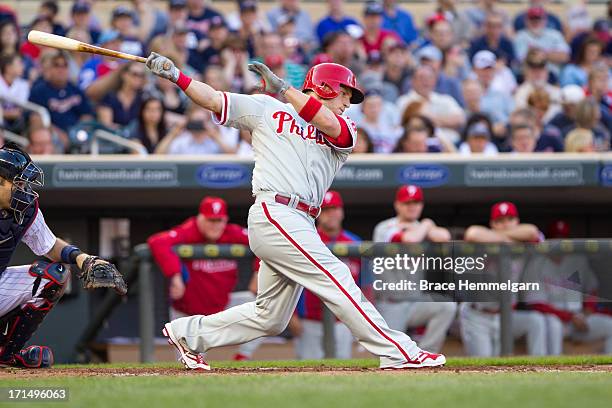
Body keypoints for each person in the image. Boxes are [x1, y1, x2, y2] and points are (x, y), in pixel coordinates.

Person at [146, 48, 446, 370]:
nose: (348, 103)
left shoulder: (345, 126)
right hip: (276, 210)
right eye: (345, 94)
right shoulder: (266, 109)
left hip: (300, 219)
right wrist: (178, 76)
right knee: (337, 276)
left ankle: (188, 334)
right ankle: (398, 352)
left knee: (270, 317)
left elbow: (329, 123)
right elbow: (215, 100)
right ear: (327, 88)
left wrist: (284, 89)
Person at [0, 143, 126, 368]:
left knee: (53, 275)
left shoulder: (24, 209)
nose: (24, 190)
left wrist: (83, 258)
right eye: (18, 183)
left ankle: (6, 355)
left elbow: (49, 246)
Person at [147, 196, 262, 361]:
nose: (215, 225)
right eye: (210, 220)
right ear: (200, 218)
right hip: (188, 314)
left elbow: (265, 242)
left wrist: (259, 272)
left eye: (218, 220)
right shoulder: (190, 230)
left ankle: (242, 357)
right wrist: (175, 275)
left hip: (222, 307)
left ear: (225, 220)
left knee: (265, 308)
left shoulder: (231, 232)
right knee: (190, 365)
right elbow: (157, 242)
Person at [372, 185, 456, 353]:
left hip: (416, 302)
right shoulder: (385, 228)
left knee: (447, 306)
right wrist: (426, 225)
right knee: (391, 356)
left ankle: (426, 352)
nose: (412, 207)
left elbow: (445, 236)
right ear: (397, 205)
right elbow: (410, 239)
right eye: (407, 202)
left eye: (416, 202)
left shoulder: (422, 226)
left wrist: (425, 225)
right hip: (390, 303)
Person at [461, 202, 547, 357]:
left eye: (509, 219)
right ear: (492, 224)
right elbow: (472, 233)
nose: (505, 224)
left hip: (507, 315)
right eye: (500, 221)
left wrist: (503, 238)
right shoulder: (484, 242)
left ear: (517, 221)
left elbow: (533, 232)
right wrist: (506, 240)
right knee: (484, 368)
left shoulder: (524, 240)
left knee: (536, 321)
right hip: (479, 316)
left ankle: (541, 366)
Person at [295, 191, 363, 359]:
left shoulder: (355, 243)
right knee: (307, 374)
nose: (331, 214)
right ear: (317, 213)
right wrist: (292, 317)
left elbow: (364, 284)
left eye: (334, 208)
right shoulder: (304, 239)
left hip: (343, 321)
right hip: (310, 321)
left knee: (342, 372)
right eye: (325, 209)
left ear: (342, 211)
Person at [29, 50, 94, 148]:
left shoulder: (75, 89)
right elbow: (36, 119)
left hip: (76, 135)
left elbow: (87, 114)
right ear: (48, 69)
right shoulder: (39, 90)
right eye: (56, 65)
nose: (61, 69)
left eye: (65, 65)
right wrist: (59, 134)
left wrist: (79, 129)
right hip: (53, 138)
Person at [513, 6, 570, 73]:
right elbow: (522, 59)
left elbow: (565, 57)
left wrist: (543, 54)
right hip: (528, 74)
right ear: (526, 21)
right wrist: (550, 55)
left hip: (552, 74)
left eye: (538, 18)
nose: (536, 21)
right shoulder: (520, 36)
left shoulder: (555, 35)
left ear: (545, 20)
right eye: (532, 19)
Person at [97, 62, 146, 130]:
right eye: (135, 74)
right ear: (124, 75)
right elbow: (106, 125)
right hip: (112, 137)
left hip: (134, 139)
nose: (138, 78)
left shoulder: (143, 99)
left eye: (141, 75)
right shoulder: (110, 97)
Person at [0, 54, 29, 133]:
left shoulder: (23, 84)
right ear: (8, 67)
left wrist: (5, 113)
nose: (23, 67)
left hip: (15, 123)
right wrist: (6, 114)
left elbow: (20, 110)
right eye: (19, 63)